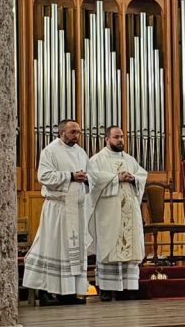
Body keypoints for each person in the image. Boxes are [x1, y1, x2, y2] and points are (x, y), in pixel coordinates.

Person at [22, 119, 92, 305]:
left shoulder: (81, 153)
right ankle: (47, 292)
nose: (77, 135)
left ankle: (70, 292)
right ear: (62, 133)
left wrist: (86, 178)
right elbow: (43, 176)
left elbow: (90, 175)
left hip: (76, 209)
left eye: (78, 132)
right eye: (73, 132)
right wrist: (70, 176)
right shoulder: (50, 151)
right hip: (58, 209)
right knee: (53, 248)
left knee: (73, 251)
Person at [87, 126, 148, 302]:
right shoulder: (97, 160)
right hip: (109, 212)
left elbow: (142, 175)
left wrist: (133, 178)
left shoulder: (129, 159)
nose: (120, 140)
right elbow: (93, 179)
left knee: (130, 247)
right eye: (116, 137)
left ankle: (128, 288)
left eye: (121, 136)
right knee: (109, 247)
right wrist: (116, 178)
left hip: (129, 210)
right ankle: (107, 289)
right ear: (107, 139)